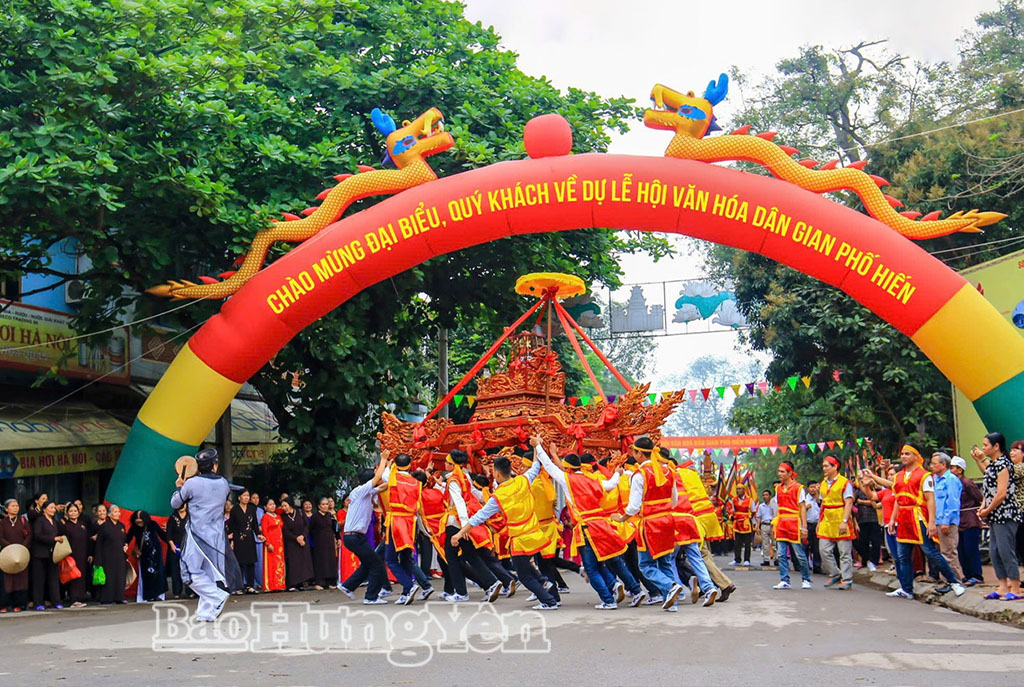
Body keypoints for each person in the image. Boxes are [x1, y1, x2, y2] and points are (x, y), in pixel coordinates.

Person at [536, 443, 646, 609]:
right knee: (610, 561)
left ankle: (608, 600)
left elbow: (549, 467)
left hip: (587, 528)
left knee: (591, 568)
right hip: (602, 525)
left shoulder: (568, 480)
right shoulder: (593, 480)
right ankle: (635, 590)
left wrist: (538, 447)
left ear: (568, 469)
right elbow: (610, 484)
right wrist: (617, 474)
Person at [452, 440, 559, 610]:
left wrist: (459, 533)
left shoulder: (499, 495)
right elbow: (536, 466)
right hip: (534, 533)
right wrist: (535, 446)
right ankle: (543, 581)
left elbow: (479, 516)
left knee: (523, 575)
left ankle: (548, 600)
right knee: (525, 566)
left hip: (519, 539)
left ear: (496, 473)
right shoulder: (523, 480)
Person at [867, 444, 965, 599]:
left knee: (930, 552)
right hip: (903, 518)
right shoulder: (899, 476)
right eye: (902, 453)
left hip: (918, 516)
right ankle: (906, 588)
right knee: (903, 555)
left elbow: (930, 499)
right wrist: (872, 477)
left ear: (915, 456)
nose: (903, 456)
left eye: (907, 454)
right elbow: (895, 491)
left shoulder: (924, 475)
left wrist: (931, 522)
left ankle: (954, 582)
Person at [170, 448, 244, 621]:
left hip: (197, 535)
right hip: (216, 536)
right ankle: (207, 612)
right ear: (214, 466)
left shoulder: (192, 484)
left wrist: (179, 486)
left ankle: (216, 596)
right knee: (209, 574)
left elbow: (175, 503)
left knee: (188, 573)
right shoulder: (223, 483)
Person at [441, 449, 503, 603]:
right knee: (470, 555)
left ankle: (462, 592)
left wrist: (464, 527)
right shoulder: (464, 475)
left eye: (447, 462)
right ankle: (491, 583)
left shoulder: (454, 480)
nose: (445, 464)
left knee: (452, 557)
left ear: (452, 465)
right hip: (462, 521)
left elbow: (459, 502)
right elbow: (473, 494)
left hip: (455, 522)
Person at [971, 433, 1022, 600]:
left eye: (986, 445)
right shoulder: (993, 465)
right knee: (994, 551)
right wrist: (983, 507)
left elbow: (1001, 494)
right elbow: (989, 489)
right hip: (994, 515)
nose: (983, 448)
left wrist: (987, 510)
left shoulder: (1004, 465)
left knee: (1006, 551)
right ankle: (1002, 585)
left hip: (1006, 513)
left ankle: (1015, 587)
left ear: (996, 446)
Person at [677, 457, 735, 598]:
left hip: (696, 517)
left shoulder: (676, 474)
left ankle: (722, 584)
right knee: (705, 553)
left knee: (700, 554)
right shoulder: (692, 475)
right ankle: (710, 584)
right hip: (708, 515)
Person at [339, 456, 390, 604]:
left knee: (369, 563)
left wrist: (392, 471)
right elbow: (378, 479)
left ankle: (348, 586)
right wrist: (383, 459)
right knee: (376, 564)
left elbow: (383, 486)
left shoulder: (367, 492)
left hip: (356, 537)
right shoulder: (360, 490)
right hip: (354, 537)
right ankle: (371, 597)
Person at [817, 456, 856, 590]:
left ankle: (847, 579)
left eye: (826, 466)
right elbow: (822, 503)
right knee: (823, 550)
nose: (824, 469)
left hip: (840, 516)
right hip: (826, 519)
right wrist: (819, 521)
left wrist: (844, 521)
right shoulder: (823, 483)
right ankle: (835, 573)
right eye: (823, 466)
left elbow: (849, 502)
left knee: (844, 552)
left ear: (835, 467)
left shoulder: (844, 483)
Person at [772, 461, 812, 590]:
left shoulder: (798, 488)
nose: (779, 474)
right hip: (781, 522)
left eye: (782, 471)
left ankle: (806, 579)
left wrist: (804, 527)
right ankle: (784, 580)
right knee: (781, 554)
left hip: (794, 522)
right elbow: (778, 507)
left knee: (799, 554)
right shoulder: (778, 488)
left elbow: (802, 508)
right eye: (779, 471)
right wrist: (775, 523)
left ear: (790, 473)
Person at [930, 452, 964, 582]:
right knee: (941, 553)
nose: (931, 466)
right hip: (937, 521)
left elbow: (953, 503)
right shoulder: (935, 479)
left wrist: (946, 521)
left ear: (943, 464)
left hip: (947, 522)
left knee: (948, 553)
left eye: (934, 463)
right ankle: (947, 581)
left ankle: (955, 581)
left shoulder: (951, 479)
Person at [950, 456, 984, 585]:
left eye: (952, 468)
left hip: (969, 519)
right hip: (958, 519)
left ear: (960, 470)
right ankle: (968, 574)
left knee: (971, 549)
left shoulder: (967, 483)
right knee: (961, 550)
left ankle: (976, 575)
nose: (950, 470)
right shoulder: (952, 483)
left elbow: (979, 498)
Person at [128, 510, 168, 602]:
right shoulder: (134, 528)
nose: (139, 523)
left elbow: (162, 535)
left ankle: (157, 594)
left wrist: (172, 542)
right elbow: (128, 538)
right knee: (146, 576)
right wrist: (124, 545)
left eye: (141, 521)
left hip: (156, 553)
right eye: (137, 521)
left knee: (158, 574)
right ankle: (148, 595)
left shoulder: (152, 524)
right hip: (144, 555)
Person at [30, 501, 64, 610]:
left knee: (53, 579)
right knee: (39, 579)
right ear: (44, 509)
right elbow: (37, 535)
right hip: (40, 554)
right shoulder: (40, 520)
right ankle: (38, 603)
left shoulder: (54, 521)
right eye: (51, 508)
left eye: (54, 508)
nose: (53, 510)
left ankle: (56, 601)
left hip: (52, 554)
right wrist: (53, 539)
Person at [228, 489, 262, 594]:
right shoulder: (235, 510)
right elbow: (231, 525)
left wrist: (258, 534)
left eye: (248, 496)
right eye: (244, 495)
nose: (246, 498)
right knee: (240, 563)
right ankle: (239, 586)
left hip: (250, 538)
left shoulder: (252, 509)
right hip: (239, 538)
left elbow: (254, 524)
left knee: (251, 562)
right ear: (239, 497)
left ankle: (250, 586)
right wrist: (231, 539)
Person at [93, 504, 128, 605]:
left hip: (120, 556)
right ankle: (107, 598)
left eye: (118, 512)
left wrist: (126, 545)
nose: (118, 514)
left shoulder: (121, 526)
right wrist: (98, 560)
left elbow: (124, 540)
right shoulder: (104, 527)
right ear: (109, 514)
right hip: (107, 556)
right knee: (109, 578)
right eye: (115, 512)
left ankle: (119, 597)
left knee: (120, 577)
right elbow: (99, 544)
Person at [1, 498, 31, 612]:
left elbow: (29, 535)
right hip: (7, 555)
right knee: (7, 580)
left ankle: (19, 604)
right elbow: (1, 537)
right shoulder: (3, 522)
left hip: (21, 554)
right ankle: (5, 604)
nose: (15, 508)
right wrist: (10, 547)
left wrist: (22, 547)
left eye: (17, 506)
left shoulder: (23, 520)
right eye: (13, 506)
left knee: (20, 579)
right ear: (7, 509)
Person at [59, 502, 90, 607]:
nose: (73, 513)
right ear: (67, 513)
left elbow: (87, 540)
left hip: (83, 554)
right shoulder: (65, 526)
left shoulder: (82, 525)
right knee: (73, 576)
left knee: (82, 575)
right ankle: (73, 599)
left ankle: (81, 597)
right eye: (71, 511)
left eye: (75, 511)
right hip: (71, 555)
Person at [281, 498, 314, 591]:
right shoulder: (283, 516)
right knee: (292, 563)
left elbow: (306, 525)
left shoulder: (300, 512)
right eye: (282, 506)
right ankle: (291, 584)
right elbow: (285, 531)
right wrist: (296, 538)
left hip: (302, 540)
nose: (283, 508)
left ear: (290, 505)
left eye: (285, 506)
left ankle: (300, 582)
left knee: (302, 562)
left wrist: (302, 536)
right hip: (291, 542)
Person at [310, 497, 340, 590]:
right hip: (319, 542)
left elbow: (335, 528)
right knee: (321, 561)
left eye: (327, 504)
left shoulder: (330, 516)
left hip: (330, 541)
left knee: (330, 561)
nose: (325, 506)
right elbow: (310, 529)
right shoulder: (315, 516)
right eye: (323, 504)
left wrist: (338, 538)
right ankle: (320, 582)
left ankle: (330, 582)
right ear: (319, 506)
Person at [853, 481, 881, 572]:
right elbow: (853, 501)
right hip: (862, 520)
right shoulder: (857, 492)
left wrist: (862, 502)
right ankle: (865, 560)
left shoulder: (874, 491)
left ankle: (874, 561)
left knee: (875, 541)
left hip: (874, 519)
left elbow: (875, 503)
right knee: (863, 542)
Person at [260, 498, 286, 592]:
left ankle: (279, 584)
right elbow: (264, 531)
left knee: (279, 564)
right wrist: (268, 543)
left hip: (280, 543)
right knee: (271, 564)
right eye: (270, 504)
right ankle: (270, 585)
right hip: (271, 543)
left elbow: (282, 510)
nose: (272, 506)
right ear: (265, 507)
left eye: (273, 504)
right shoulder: (265, 517)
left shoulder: (278, 516)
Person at [165, 504, 188, 599]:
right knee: (176, 570)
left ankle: (191, 591)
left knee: (189, 570)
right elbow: (168, 534)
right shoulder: (173, 518)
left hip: (188, 548)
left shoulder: (190, 517)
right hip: (176, 548)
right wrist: (172, 546)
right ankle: (177, 592)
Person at [730, 485, 754, 566]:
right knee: (737, 542)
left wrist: (748, 518)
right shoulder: (734, 499)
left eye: (740, 489)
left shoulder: (750, 500)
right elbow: (733, 510)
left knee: (747, 543)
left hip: (746, 523)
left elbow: (753, 511)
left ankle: (747, 560)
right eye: (737, 489)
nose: (738, 490)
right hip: (737, 523)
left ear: (744, 490)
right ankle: (737, 559)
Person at [805, 482, 822, 574]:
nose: (813, 489)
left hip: (818, 525)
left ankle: (817, 566)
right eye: (811, 487)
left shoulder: (820, 498)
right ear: (808, 488)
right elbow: (799, 511)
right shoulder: (805, 499)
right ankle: (805, 566)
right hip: (808, 524)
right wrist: (805, 508)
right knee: (806, 546)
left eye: (814, 487)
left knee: (817, 547)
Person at [755, 489, 775, 566]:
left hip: (772, 525)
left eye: (766, 495)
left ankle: (776, 559)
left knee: (774, 543)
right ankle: (766, 559)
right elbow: (759, 517)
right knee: (765, 543)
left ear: (770, 496)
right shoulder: (761, 506)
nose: (765, 496)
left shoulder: (774, 505)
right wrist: (757, 527)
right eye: (763, 495)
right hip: (764, 525)